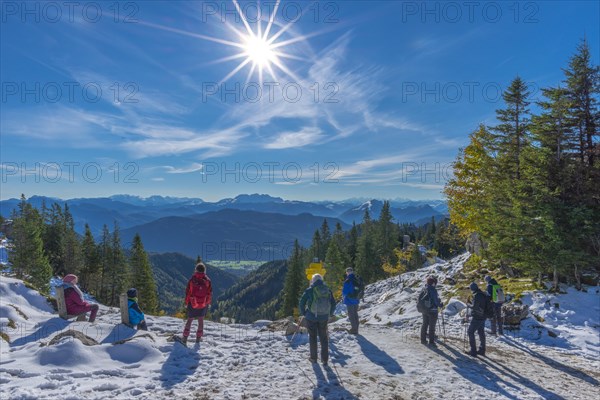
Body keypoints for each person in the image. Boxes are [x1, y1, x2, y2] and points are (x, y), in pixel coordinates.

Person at [299, 274, 336, 366]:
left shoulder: (310, 290)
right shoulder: (327, 290)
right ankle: (325, 359)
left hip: (311, 317)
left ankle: (313, 358)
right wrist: (329, 314)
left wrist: (304, 313)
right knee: (323, 337)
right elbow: (333, 303)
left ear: (313, 280)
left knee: (312, 337)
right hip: (324, 317)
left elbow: (301, 302)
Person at [182, 262, 212, 345]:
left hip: (192, 303)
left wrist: (186, 302)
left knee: (190, 320)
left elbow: (188, 292)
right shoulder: (207, 280)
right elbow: (209, 293)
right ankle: (198, 339)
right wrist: (208, 303)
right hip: (203, 304)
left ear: (196, 270)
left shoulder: (192, 280)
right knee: (201, 321)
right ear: (204, 271)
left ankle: (184, 338)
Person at [418, 276, 442, 347]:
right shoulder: (433, 290)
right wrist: (440, 304)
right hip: (433, 311)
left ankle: (423, 340)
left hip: (424, 310)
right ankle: (431, 342)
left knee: (424, 324)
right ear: (433, 283)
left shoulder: (424, 288)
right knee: (432, 326)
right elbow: (436, 301)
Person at [467, 282, 487, 357]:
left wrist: (469, 304)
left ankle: (473, 351)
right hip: (483, 316)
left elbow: (475, 307)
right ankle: (482, 350)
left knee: (470, 332)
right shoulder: (482, 294)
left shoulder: (477, 295)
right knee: (481, 332)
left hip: (477, 317)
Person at [342, 267, 361, 335]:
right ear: (352, 271)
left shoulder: (348, 280)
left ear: (347, 272)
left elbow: (344, 291)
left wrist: (343, 297)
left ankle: (354, 329)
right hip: (356, 299)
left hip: (349, 300)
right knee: (355, 314)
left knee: (351, 315)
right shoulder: (356, 279)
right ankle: (356, 328)